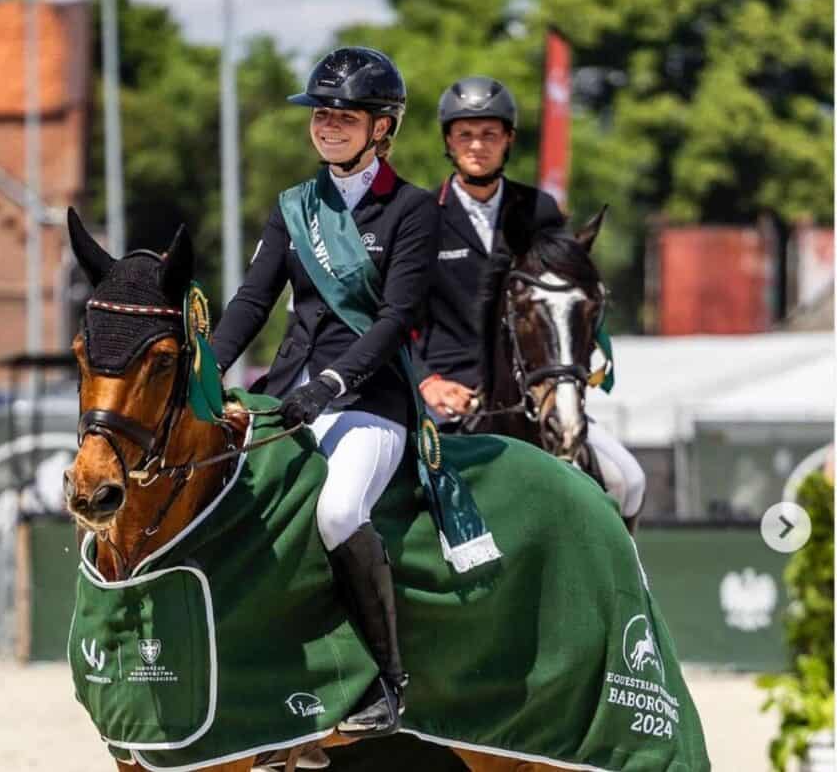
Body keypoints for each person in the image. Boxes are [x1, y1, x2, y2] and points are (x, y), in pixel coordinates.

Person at [213, 47, 438, 736]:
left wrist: (338, 382)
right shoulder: (293, 208)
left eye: (345, 117)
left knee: (339, 511)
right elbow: (253, 303)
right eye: (321, 115)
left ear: (382, 129)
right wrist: (202, 371)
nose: (328, 126)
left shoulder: (411, 210)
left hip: (370, 400)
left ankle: (384, 679)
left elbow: (398, 318)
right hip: (285, 394)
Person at [413, 75, 645, 523]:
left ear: (508, 140)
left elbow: (562, 298)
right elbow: (400, 315)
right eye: (465, 134)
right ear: (448, 141)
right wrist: (429, 383)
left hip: (532, 391)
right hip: (445, 394)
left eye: (489, 134)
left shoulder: (538, 210)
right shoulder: (422, 216)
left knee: (628, 479)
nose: (477, 145)